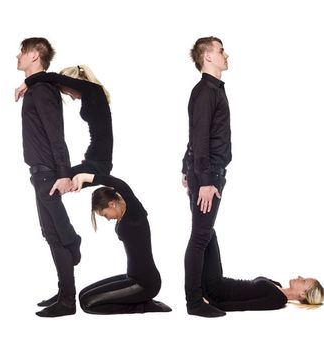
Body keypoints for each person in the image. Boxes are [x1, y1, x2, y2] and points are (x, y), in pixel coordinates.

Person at [17, 37, 80, 317]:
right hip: (39, 173)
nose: (17, 56)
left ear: (34, 55)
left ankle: (74, 242)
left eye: (22, 52)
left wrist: (64, 174)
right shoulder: (38, 87)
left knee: (60, 234)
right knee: (50, 234)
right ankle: (65, 296)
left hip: (48, 174)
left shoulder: (42, 90)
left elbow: (56, 135)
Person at [180, 36, 233, 317]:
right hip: (208, 174)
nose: (226, 55)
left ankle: (209, 292)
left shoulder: (212, 90)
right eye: (221, 50)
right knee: (200, 236)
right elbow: (199, 138)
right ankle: (194, 302)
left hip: (204, 172)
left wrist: (185, 168)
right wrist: (207, 180)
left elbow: (195, 135)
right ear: (208, 57)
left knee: (204, 233)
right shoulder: (205, 91)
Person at [72, 173, 171, 314]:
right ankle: (141, 301)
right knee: (82, 296)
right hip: (131, 277)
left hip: (145, 283)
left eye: (105, 215)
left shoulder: (134, 212)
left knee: (88, 304)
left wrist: (85, 177)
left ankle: (143, 305)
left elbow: (120, 184)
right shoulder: (121, 215)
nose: (106, 219)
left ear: (111, 204)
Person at [15, 64, 115, 180]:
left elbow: (51, 76)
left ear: (74, 82)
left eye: (68, 92)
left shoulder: (94, 90)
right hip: (94, 161)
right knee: (49, 179)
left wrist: (27, 82)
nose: (72, 97)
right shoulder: (92, 94)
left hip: (99, 165)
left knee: (52, 180)